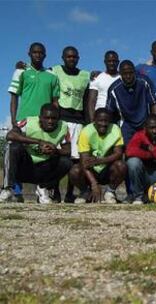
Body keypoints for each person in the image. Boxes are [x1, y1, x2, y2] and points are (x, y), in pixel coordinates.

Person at [7, 42, 60, 202]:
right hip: (24, 121)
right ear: (29, 54)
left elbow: (55, 101)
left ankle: (45, 190)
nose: (38, 55)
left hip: (44, 124)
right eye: (35, 52)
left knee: (47, 154)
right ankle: (14, 190)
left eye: (41, 53)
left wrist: (55, 121)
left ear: (45, 55)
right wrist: (15, 120)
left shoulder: (52, 76)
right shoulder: (21, 71)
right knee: (15, 150)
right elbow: (14, 97)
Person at [0, 104, 72, 204]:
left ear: (58, 118)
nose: (50, 121)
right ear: (40, 118)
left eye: (53, 118)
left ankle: (43, 188)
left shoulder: (63, 127)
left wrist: (54, 150)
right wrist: (39, 142)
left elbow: (68, 150)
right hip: (25, 167)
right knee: (12, 146)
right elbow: (10, 135)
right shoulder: (28, 122)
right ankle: (7, 189)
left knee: (66, 161)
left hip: (44, 169)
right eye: (47, 118)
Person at [50, 46, 90, 203]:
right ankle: (55, 193)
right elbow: (39, 70)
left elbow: (87, 101)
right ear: (63, 58)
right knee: (57, 157)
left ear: (78, 58)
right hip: (61, 120)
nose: (71, 59)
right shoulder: (54, 70)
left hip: (78, 121)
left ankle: (69, 193)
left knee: (75, 160)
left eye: (74, 57)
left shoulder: (85, 75)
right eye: (68, 56)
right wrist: (23, 66)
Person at [69, 108, 127, 204]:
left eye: (106, 121)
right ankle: (85, 192)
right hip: (90, 170)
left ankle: (110, 192)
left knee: (121, 166)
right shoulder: (86, 132)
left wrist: (99, 161)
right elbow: (84, 162)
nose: (103, 124)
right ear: (94, 120)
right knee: (74, 171)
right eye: (100, 120)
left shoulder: (115, 129)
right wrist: (94, 184)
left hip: (107, 169)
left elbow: (118, 153)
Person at [107, 60, 156, 146]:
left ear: (134, 72)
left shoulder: (144, 81)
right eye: (125, 73)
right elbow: (110, 112)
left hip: (145, 122)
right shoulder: (113, 89)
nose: (128, 76)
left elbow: (153, 103)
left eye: (130, 73)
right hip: (126, 124)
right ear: (120, 73)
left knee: (149, 150)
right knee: (129, 151)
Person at [87, 50, 120, 121]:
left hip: (118, 117)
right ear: (105, 62)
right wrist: (92, 121)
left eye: (114, 61)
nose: (112, 63)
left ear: (118, 62)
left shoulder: (123, 78)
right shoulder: (97, 78)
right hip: (100, 118)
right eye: (109, 61)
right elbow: (91, 102)